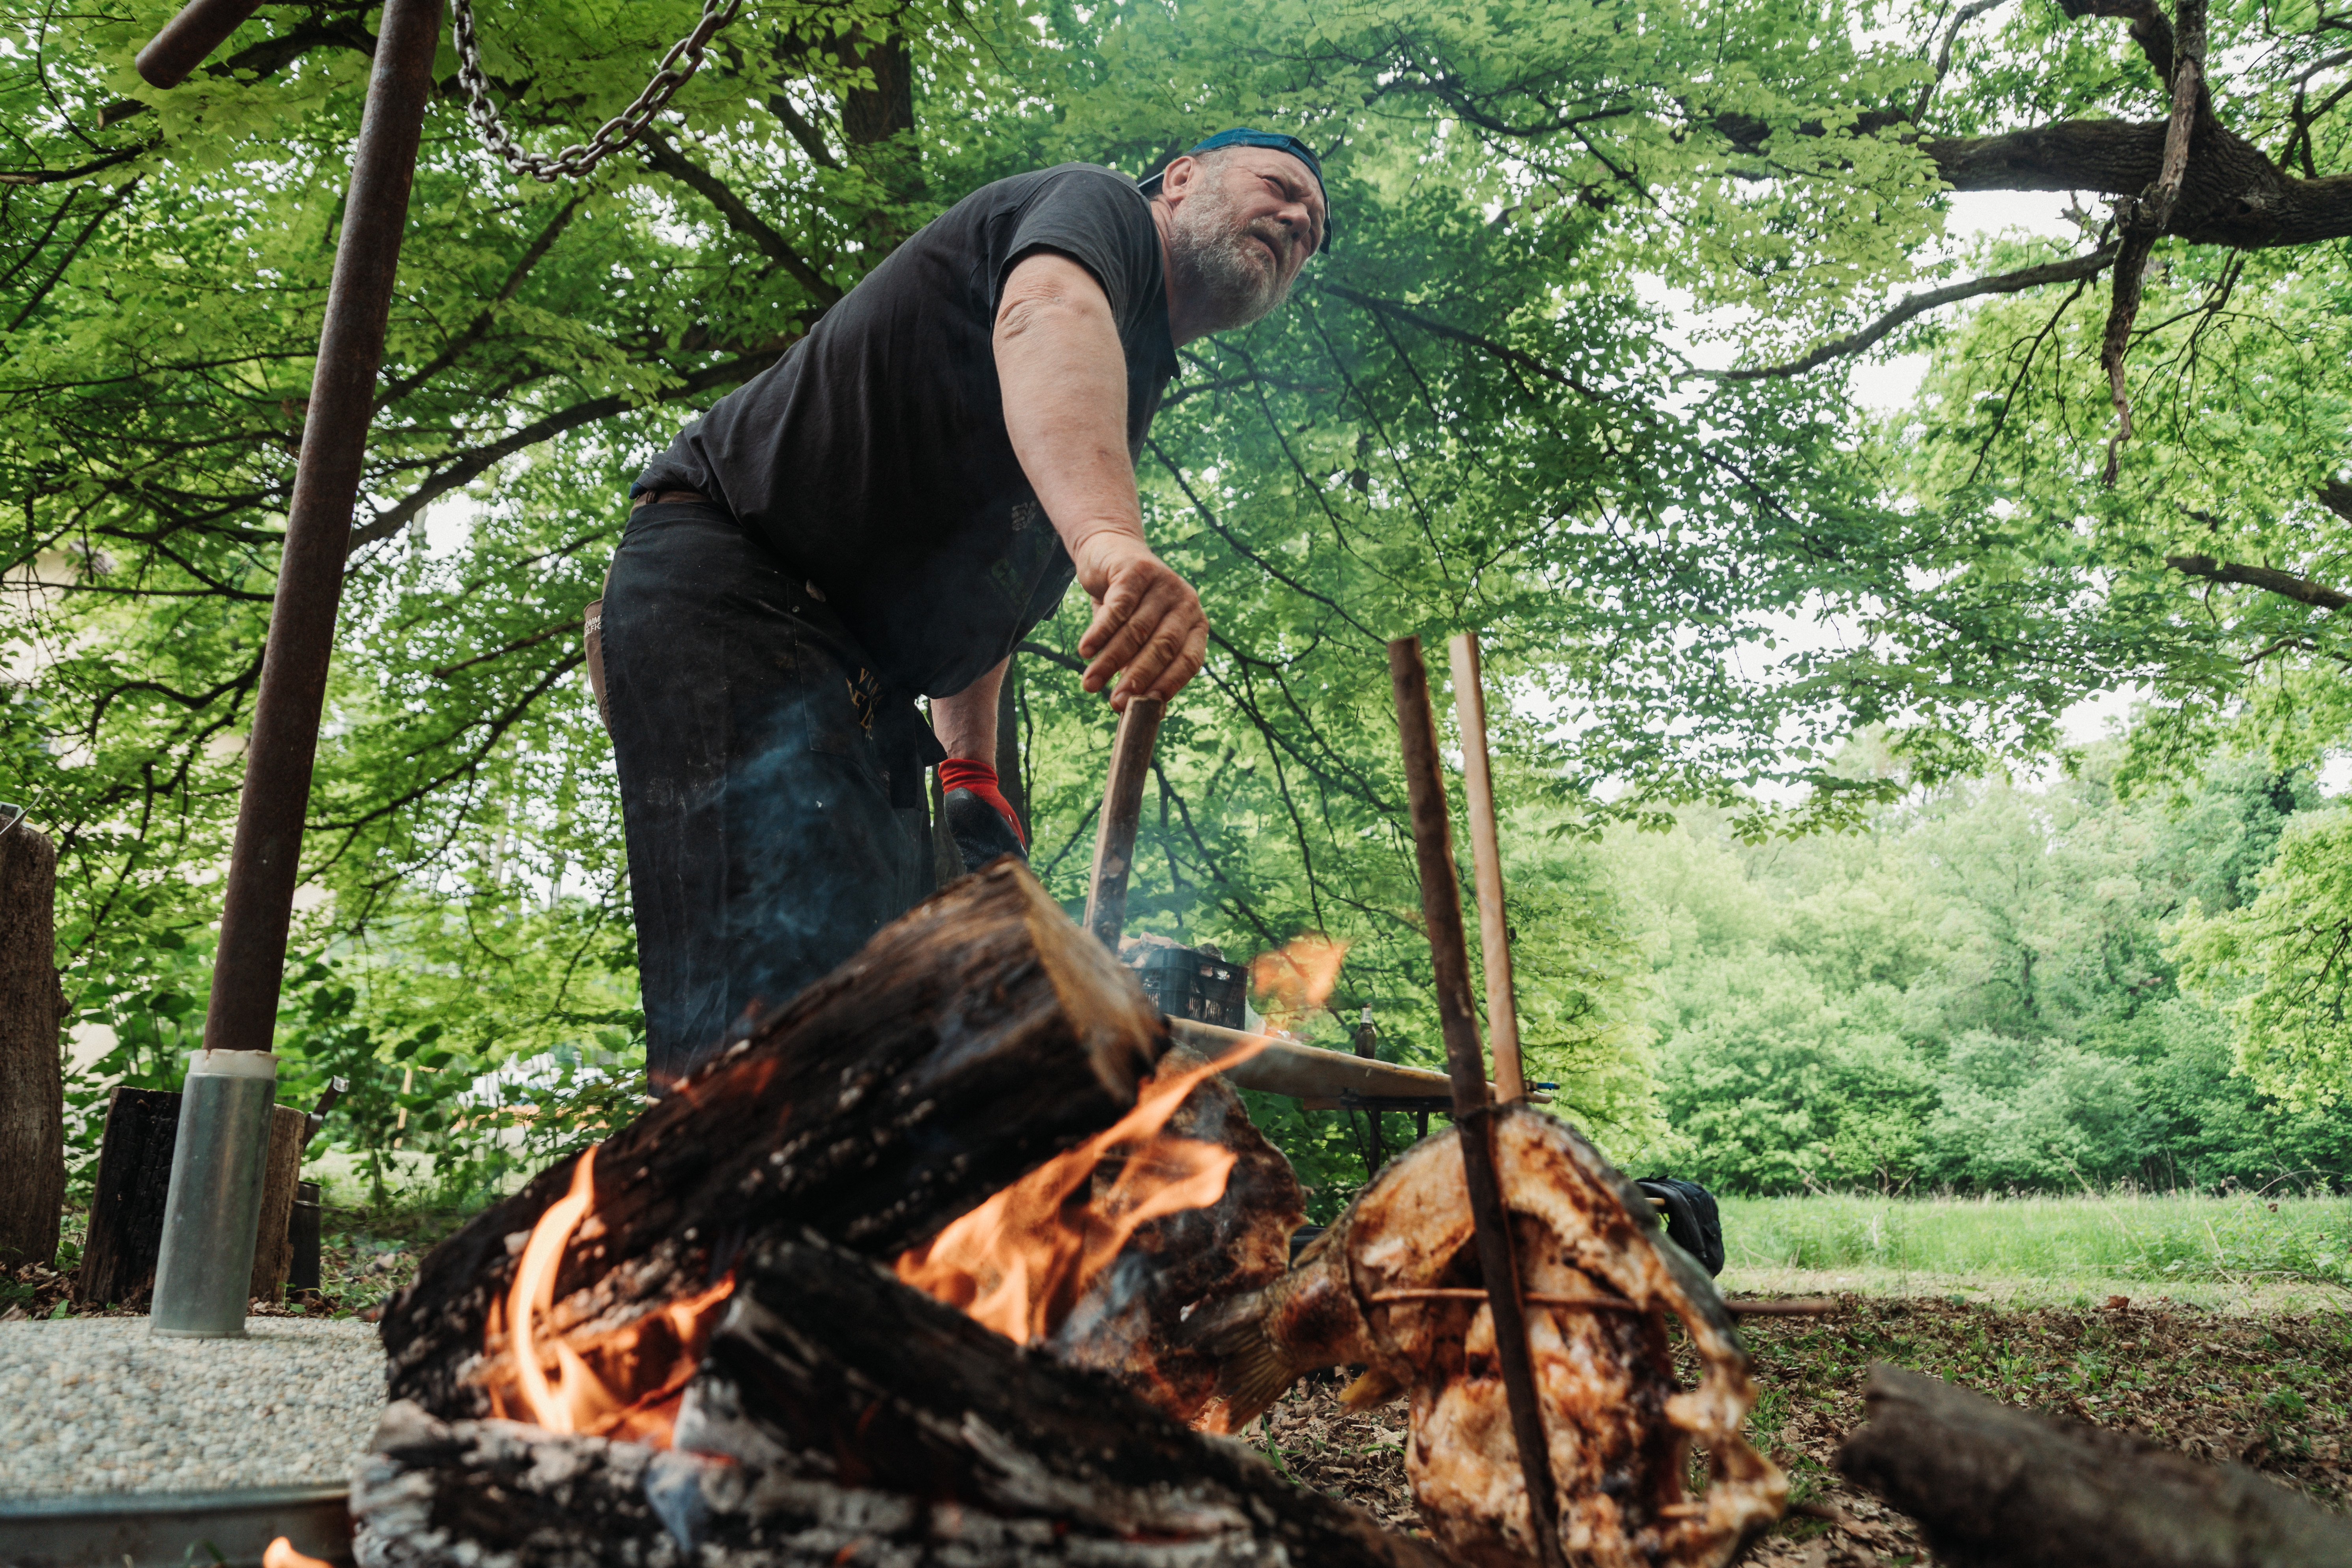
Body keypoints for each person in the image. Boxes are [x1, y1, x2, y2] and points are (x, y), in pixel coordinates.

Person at [598, 129, 1332, 1089]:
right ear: (1181, 179)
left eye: (1312, 231)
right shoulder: (1100, 209)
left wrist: (971, 770)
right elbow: (1045, 312)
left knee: (882, 1032)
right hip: (741, 589)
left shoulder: (1127, 373)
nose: (1296, 221)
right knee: (773, 1040)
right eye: (1279, 188)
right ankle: (718, 1185)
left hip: (858, 685)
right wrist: (1109, 538)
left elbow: (988, 576)